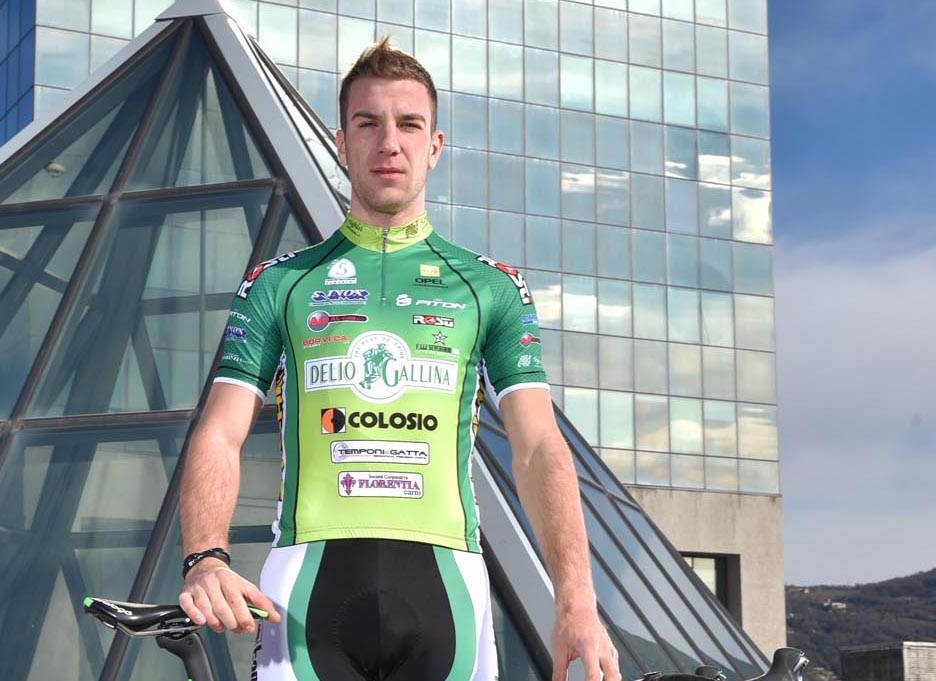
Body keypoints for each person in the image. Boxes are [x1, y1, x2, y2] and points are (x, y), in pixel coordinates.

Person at [177, 37, 621, 681]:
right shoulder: (279, 283)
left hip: (448, 589)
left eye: (409, 124)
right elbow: (220, 431)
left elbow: (537, 448)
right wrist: (204, 558)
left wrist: (576, 601)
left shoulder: (491, 287)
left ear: (434, 146)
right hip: (307, 587)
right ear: (341, 143)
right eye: (368, 124)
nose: (389, 142)